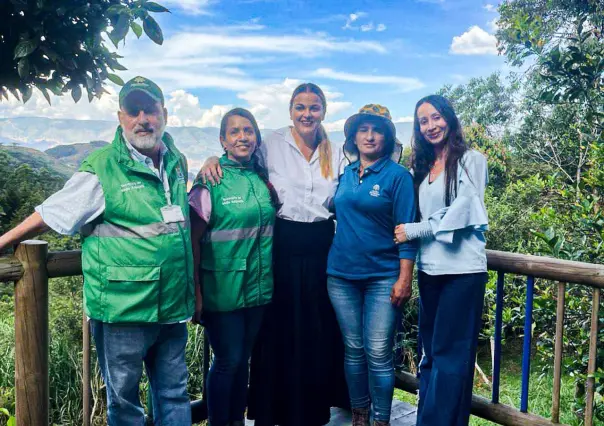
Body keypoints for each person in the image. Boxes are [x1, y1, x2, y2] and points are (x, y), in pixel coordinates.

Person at [0, 77, 194, 426]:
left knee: (174, 395)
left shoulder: (174, 160)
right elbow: (52, 212)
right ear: (120, 117)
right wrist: (2, 241)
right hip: (123, 312)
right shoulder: (102, 168)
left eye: (149, 109)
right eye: (132, 111)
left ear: (164, 113)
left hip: (172, 307)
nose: (142, 119)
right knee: (125, 405)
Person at [199, 82, 349, 426]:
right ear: (290, 111)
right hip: (281, 246)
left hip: (322, 247)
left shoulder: (336, 151)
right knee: (276, 332)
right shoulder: (272, 144)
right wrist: (211, 160)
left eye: (313, 108)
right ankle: (271, 412)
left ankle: (310, 412)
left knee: (315, 331)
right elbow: (241, 164)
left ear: (323, 111)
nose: (307, 114)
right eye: (300, 107)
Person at [394, 94, 489, 426]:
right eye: (423, 121)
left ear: (449, 119)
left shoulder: (471, 161)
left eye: (436, 117)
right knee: (430, 356)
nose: (431, 126)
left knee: (451, 358)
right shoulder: (420, 168)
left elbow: (463, 211)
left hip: (462, 272)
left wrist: (414, 230)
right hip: (430, 271)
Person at [327, 104, 417, 426]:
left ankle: (381, 420)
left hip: (383, 276)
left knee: (378, 353)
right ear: (353, 136)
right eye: (363, 129)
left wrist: (405, 278)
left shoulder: (398, 177)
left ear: (387, 136)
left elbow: (407, 231)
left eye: (376, 130)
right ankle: (359, 415)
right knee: (353, 349)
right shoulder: (347, 174)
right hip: (340, 275)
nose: (369, 136)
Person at [188, 108, 278, 426]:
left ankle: (236, 422)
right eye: (235, 131)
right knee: (228, 361)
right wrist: (195, 291)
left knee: (243, 363)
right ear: (223, 140)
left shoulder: (260, 178)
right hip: (221, 290)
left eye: (249, 130)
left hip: (257, 288)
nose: (243, 136)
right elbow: (192, 240)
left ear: (256, 137)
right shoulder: (211, 180)